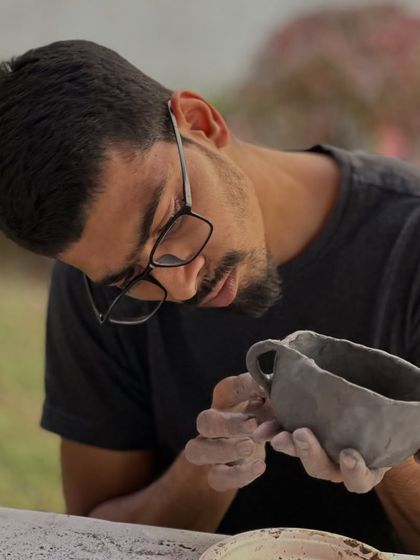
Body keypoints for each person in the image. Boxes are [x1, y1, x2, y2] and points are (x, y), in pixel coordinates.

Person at [0, 40, 420, 553]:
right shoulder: (98, 286)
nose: (179, 284)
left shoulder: (408, 240)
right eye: (132, 275)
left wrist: (386, 449)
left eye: (170, 222)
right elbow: (93, 533)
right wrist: (206, 467)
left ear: (201, 123)